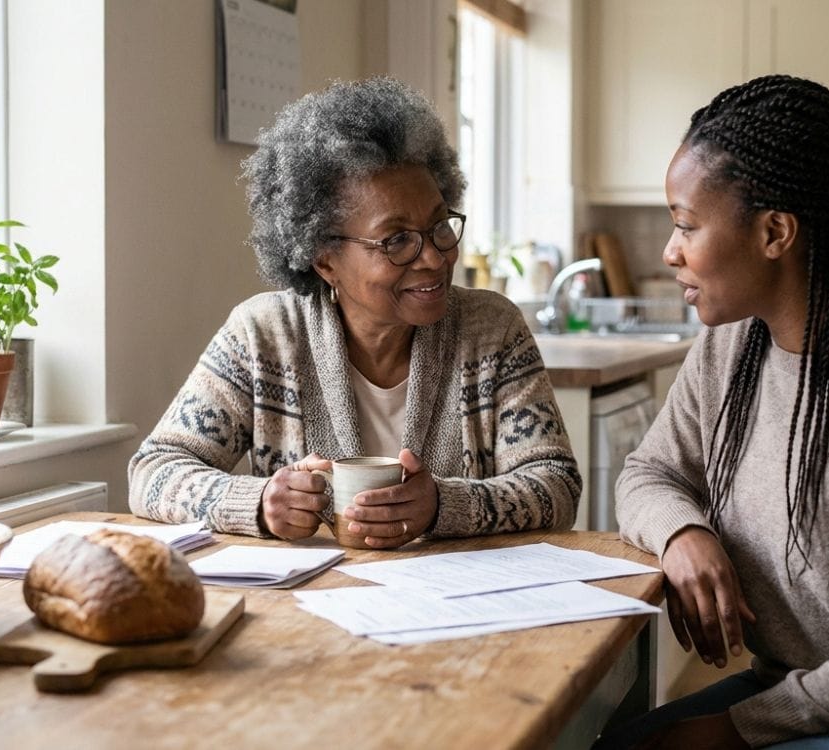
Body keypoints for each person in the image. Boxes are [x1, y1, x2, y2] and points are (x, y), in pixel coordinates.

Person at [601, 75, 829, 748]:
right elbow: (648, 472)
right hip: (792, 688)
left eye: (686, 225)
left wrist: (736, 728)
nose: (670, 251)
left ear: (775, 232)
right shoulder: (730, 345)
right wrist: (681, 534)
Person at [128, 77, 580, 548]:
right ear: (325, 259)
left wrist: (444, 506)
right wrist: (260, 501)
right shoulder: (263, 335)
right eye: (396, 239)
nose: (433, 257)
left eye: (439, 226)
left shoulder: (491, 329)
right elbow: (153, 472)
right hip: (310, 606)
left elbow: (557, 484)